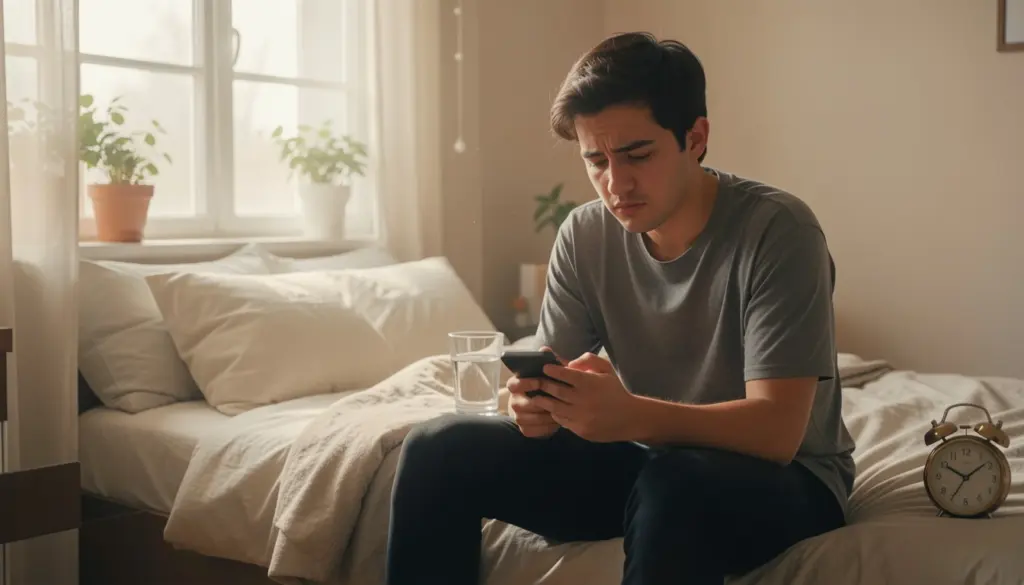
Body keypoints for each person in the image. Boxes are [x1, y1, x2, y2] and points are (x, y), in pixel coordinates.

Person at [386, 32, 855, 585]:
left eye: (637, 155)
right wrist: (534, 407)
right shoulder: (585, 234)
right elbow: (553, 369)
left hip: (788, 479)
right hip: (652, 464)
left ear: (695, 137)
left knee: (676, 483)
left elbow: (778, 432)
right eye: (596, 160)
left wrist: (631, 415)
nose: (616, 183)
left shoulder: (779, 231)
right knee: (437, 447)